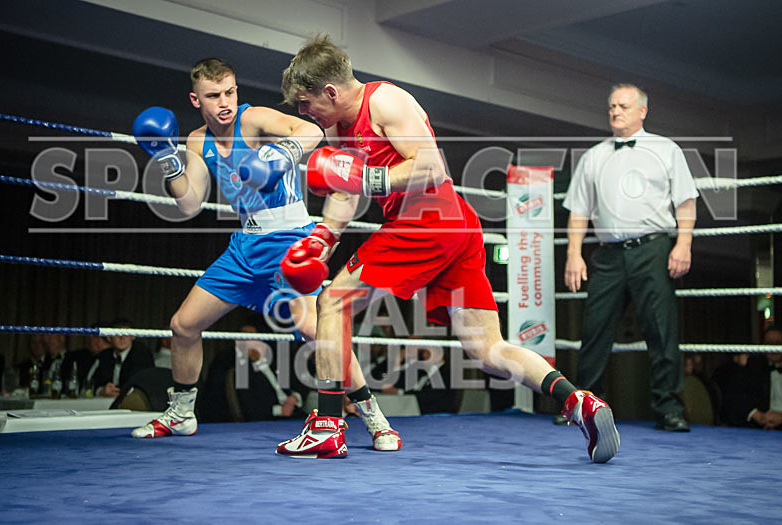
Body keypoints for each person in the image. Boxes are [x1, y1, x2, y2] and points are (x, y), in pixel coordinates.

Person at [274, 35, 620, 463]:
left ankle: (326, 427)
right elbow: (344, 189)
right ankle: (578, 401)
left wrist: (367, 179)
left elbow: (431, 167)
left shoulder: (385, 102)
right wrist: (325, 235)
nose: (304, 113)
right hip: (452, 226)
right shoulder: (335, 127)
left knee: (333, 302)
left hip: (427, 218)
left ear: (330, 91)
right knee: (487, 350)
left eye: (305, 103)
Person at [129, 57, 326, 438]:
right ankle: (181, 413)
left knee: (314, 330)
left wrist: (280, 154)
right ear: (195, 100)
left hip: (290, 238)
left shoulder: (253, 119)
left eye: (230, 92)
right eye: (214, 95)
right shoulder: (197, 141)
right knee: (183, 325)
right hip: (246, 245)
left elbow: (311, 129)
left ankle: (364, 409)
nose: (225, 102)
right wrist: (168, 162)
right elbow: (190, 204)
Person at [560, 83, 698, 432]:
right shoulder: (594, 156)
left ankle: (669, 409)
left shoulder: (666, 149)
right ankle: (583, 406)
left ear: (642, 111)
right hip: (607, 254)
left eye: (623, 106)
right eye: (611, 106)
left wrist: (683, 244)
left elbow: (685, 201)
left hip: (653, 248)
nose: (615, 111)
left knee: (661, 329)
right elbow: (578, 211)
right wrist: (574, 254)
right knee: (594, 329)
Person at [713, 327, 782, 429]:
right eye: (769, 343)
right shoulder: (754, 366)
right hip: (760, 427)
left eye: (778, 343)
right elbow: (735, 393)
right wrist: (756, 415)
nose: (774, 348)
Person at [93, 319, 155, 397]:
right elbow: (96, 383)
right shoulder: (105, 356)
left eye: (126, 334)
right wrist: (102, 391)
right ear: (109, 337)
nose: (122, 338)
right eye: (117, 334)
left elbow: (140, 384)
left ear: (133, 336)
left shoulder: (142, 355)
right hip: (106, 401)